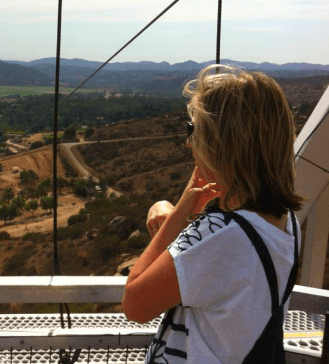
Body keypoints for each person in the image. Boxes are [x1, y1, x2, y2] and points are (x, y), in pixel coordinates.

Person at [122, 65, 303, 363]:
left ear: (221, 143)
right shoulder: (287, 224)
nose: (188, 142)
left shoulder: (219, 235)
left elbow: (135, 304)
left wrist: (181, 209)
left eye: (193, 130)